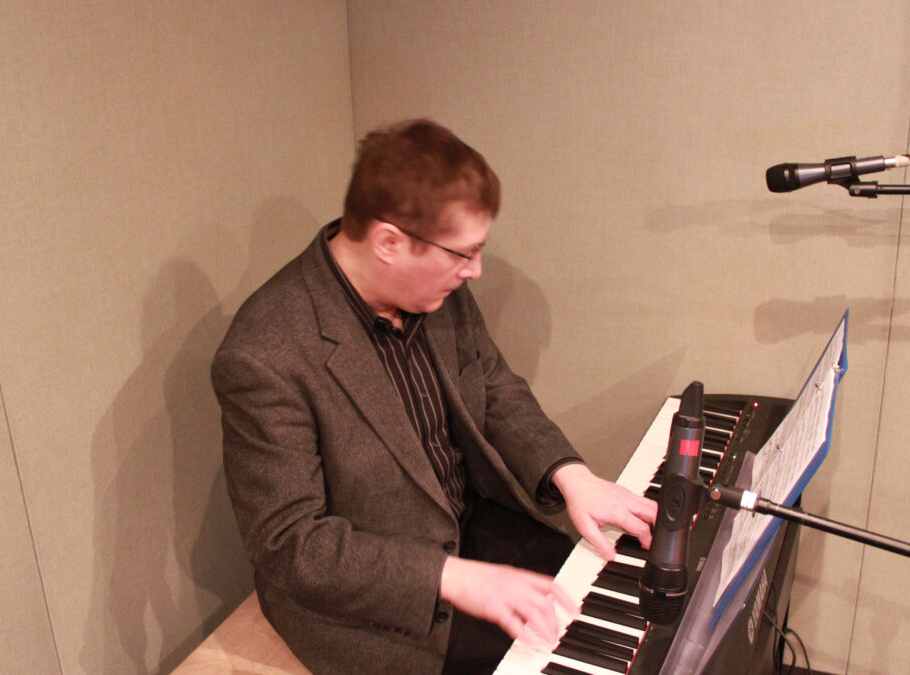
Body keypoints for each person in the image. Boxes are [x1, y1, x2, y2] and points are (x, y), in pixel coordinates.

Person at [212, 118, 657, 674]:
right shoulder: (266, 353)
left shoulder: (432, 288)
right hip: (377, 602)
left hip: (469, 524)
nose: (475, 272)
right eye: (462, 254)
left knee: (638, 602)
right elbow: (290, 545)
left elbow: (491, 383)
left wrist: (572, 475)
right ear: (389, 242)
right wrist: (451, 579)